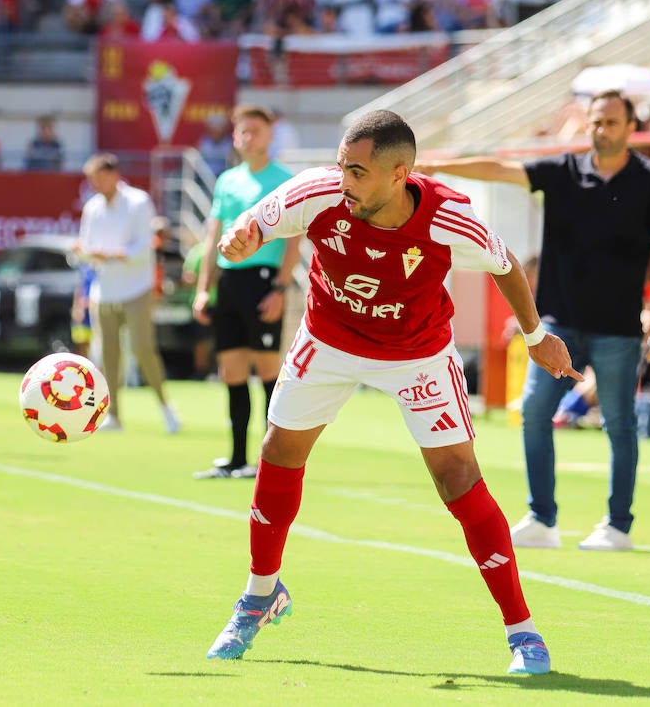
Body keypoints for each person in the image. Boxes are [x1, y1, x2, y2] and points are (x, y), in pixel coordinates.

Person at [203, 110, 574, 675]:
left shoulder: (451, 216)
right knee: (278, 452)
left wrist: (536, 334)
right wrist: (241, 238)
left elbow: (505, 267)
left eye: (358, 172)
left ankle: (523, 633)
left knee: (458, 480)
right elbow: (256, 223)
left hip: (416, 355)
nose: (344, 182)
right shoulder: (320, 193)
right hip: (327, 342)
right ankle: (260, 596)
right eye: (341, 168)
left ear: (400, 173)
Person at [418, 91, 650, 552]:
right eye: (596, 121)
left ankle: (618, 526)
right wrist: (441, 168)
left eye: (612, 122)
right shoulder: (563, 170)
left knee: (619, 424)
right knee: (535, 411)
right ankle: (542, 518)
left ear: (630, 126)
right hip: (559, 321)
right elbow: (500, 170)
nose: (602, 129)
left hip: (620, 325)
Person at [192, 106, 301, 479]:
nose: (247, 138)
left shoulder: (284, 180)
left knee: (268, 370)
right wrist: (204, 289)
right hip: (230, 280)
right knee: (232, 371)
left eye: (255, 131)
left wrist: (281, 289)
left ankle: (271, 461)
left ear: (270, 135)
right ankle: (236, 459)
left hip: (263, 281)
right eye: (242, 132)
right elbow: (212, 238)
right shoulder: (227, 181)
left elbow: (292, 241)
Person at [76, 153, 180, 433]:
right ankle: (113, 415)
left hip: (136, 289)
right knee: (107, 354)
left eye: (98, 178)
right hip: (104, 292)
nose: (95, 185)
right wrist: (87, 254)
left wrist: (105, 254)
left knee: (143, 349)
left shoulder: (138, 201)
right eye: (91, 180)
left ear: (113, 175)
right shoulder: (93, 207)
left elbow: (140, 250)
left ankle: (165, 407)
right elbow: (86, 248)